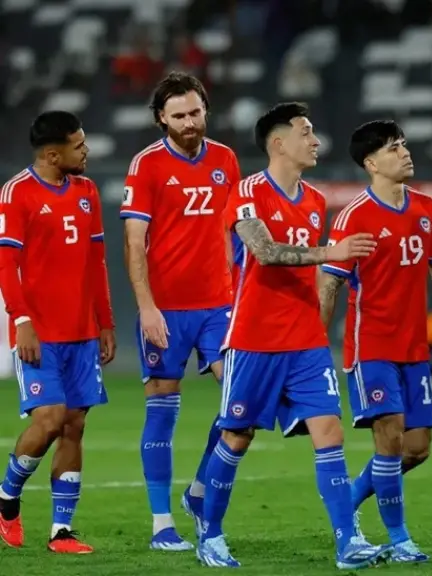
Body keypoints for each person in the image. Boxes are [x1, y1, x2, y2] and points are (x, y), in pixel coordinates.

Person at [195, 102, 387, 569]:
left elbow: (310, 270)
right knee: (237, 435)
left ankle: (348, 543)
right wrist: (331, 251)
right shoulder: (247, 192)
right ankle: (210, 534)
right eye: (306, 131)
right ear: (278, 142)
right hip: (254, 339)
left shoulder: (316, 201)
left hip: (305, 341)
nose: (315, 140)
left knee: (330, 432)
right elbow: (264, 252)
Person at [318, 119, 432, 563]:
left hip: (414, 349)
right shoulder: (354, 217)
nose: (404, 152)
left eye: (403, 144)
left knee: (417, 447)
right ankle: (400, 538)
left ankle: (345, 502)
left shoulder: (426, 208)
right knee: (388, 439)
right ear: (370, 163)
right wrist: (314, 342)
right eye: (392, 148)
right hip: (372, 349)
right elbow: (330, 283)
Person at [120, 71, 241, 550]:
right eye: (178, 116)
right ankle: (161, 524)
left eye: (195, 112)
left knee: (241, 405)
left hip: (219, 304)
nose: (190, 122)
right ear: (160, 120)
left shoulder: (226, 160)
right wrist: (147, 308)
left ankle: (197, 490)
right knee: (162, 413)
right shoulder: (146, 165)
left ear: (205, 110)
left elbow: (235, 232)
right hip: (166, 309)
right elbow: (134, 244)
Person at [0, 111, 116, 553]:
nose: (86, 151)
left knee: (73, 425)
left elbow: (96, 264)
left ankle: (61, 531)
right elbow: (6, 265)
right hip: (39, 334)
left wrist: (105, 322)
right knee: (48, 419)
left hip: (82, 333)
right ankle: (7, 498)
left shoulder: (86, 193)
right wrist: (22, 321)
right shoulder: (17, 194)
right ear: (53, 154)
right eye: (79, 145)